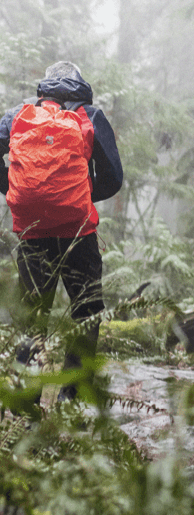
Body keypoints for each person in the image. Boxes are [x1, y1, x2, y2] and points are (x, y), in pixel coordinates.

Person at [0, 61, 123, 403]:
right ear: (78, 83)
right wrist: (79, 195)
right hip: (78, 233)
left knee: (32, 319)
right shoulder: (90, 116)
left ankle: (24, 409)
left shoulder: (18, 115)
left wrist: (12, 189)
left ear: (45, 88)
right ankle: (71, 401)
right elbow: (114, 177)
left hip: (33, 233)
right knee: (86, 313)